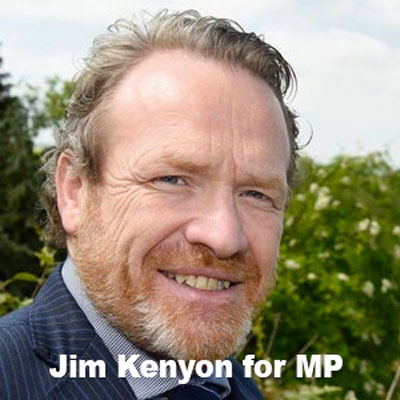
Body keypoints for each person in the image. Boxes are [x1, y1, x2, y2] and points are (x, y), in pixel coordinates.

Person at [0, 9, 298, 400]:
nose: (225, 236)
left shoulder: (233, 385)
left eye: (256, 194)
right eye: (172, 180)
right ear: (74, 191)